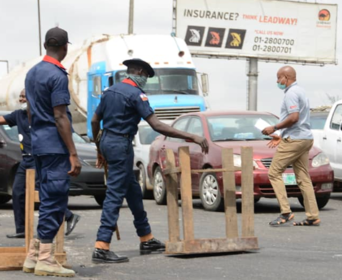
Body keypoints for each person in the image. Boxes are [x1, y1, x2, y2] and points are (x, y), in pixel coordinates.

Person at [91, 58, 208, 263]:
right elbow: (156, 125)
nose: (146, 80)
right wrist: (192, 137)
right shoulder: (137, 94)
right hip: (121, 145)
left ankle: (146, 238)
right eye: (146, 76)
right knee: (115, 195)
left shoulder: (109, 92)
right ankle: (101, 246)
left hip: (108, 141)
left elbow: (94, 120)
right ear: (140, 73)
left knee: (133, 191)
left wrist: (99, 148)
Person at [23, 27, 80, 277]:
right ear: (65, 47)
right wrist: (73, 153)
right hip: (55, 147)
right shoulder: (57, 75)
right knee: (55, 202)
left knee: (48, 200)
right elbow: (60, 116)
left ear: (46, 45)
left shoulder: (32, 72)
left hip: (38, 145)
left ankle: (34, 256)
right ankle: (45, 258)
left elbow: (29, 112)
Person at [0, 89, 81, 239]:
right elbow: (1, 120)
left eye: (25, 97)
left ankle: (68, 215)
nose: (22, 100)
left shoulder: (43, 115)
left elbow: (63, 128)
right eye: (20, 97)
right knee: (18, 193)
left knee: (43, 193)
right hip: (25, 161)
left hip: (39, 160)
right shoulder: (18, 115)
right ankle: (21, 230)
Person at [262, 66, 320, 227]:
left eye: (279, 77)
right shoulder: (300, 91)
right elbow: (298, 120)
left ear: (286, 77)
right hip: (304, 138)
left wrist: (274, 128)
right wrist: (280, 135)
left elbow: (294, 117)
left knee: (274, 172)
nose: (277, 81)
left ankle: (285, 212)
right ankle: (312, 216)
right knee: (302, 177)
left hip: (295, 139)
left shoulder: (291, 94)